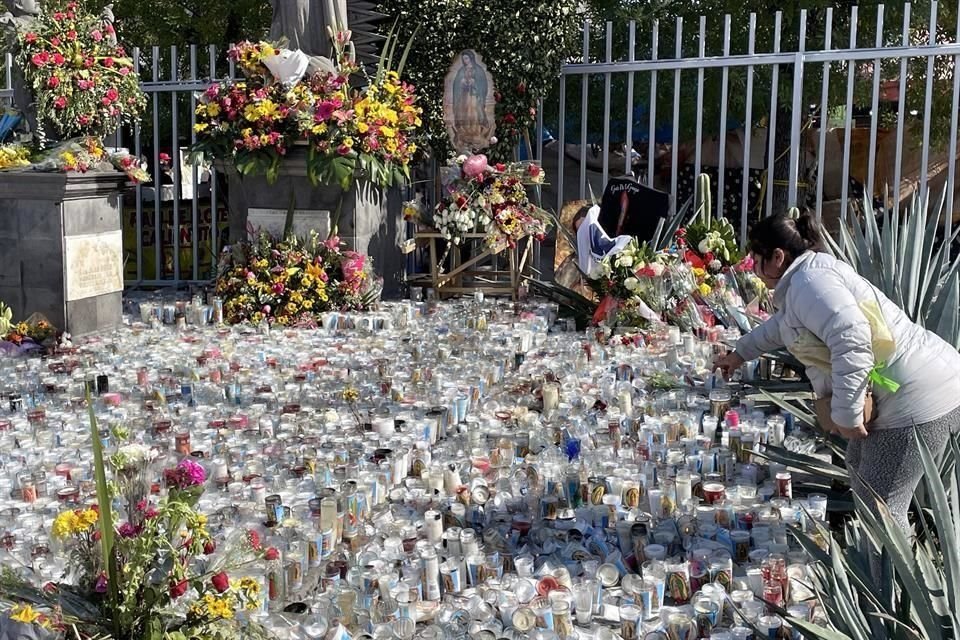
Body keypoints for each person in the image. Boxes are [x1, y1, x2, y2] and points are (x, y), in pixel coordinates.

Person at [714, 212, 960, 533]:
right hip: (916, 387)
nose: (754, 270)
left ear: (777, 257)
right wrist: (738, 354)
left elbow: (851, 336)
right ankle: (878, 576)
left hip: (919, 396)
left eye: (757, 260)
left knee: (881, 505)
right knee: (859, 470)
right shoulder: (804, 282)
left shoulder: (809, 283)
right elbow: (783, 328)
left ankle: (888, 582)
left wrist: (847, 413)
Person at [451, 51, 489, 148]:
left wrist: (475, 83)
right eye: (464, 59)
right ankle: (465, 132)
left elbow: (483, 84)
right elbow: (456, 85)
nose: (465, 61)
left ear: (471, 58)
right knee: (464, 111)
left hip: (474, 95)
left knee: (473, 111)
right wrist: (461, 82)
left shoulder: (478, 70)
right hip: (464, 95)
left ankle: (475, 132)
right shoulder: (461, 70)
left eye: (467, 58)